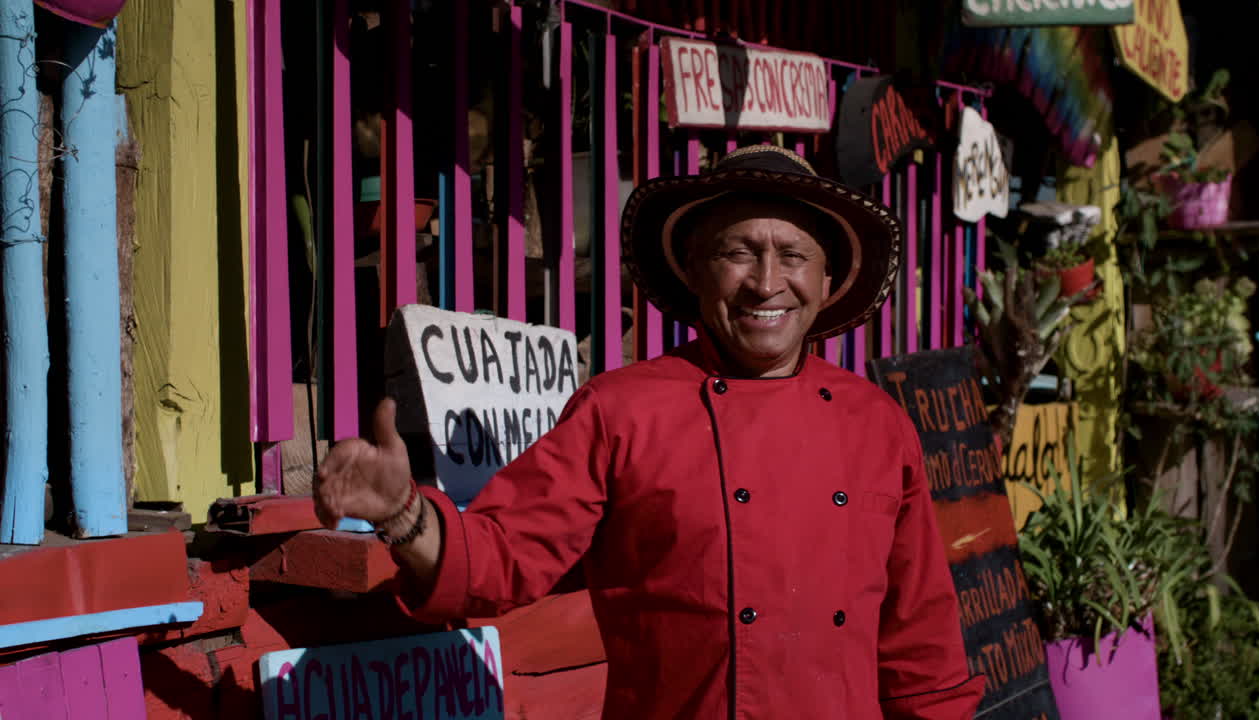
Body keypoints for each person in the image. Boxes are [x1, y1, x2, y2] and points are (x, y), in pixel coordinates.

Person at [314, 145, 985, 719]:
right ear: (695, 268)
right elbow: (502, 556)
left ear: (827, 279)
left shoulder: (878, 426)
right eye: (739, 253)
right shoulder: (621, 410)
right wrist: (403, 514)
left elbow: (921, 648)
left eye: (793, 256)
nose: (767, 283)